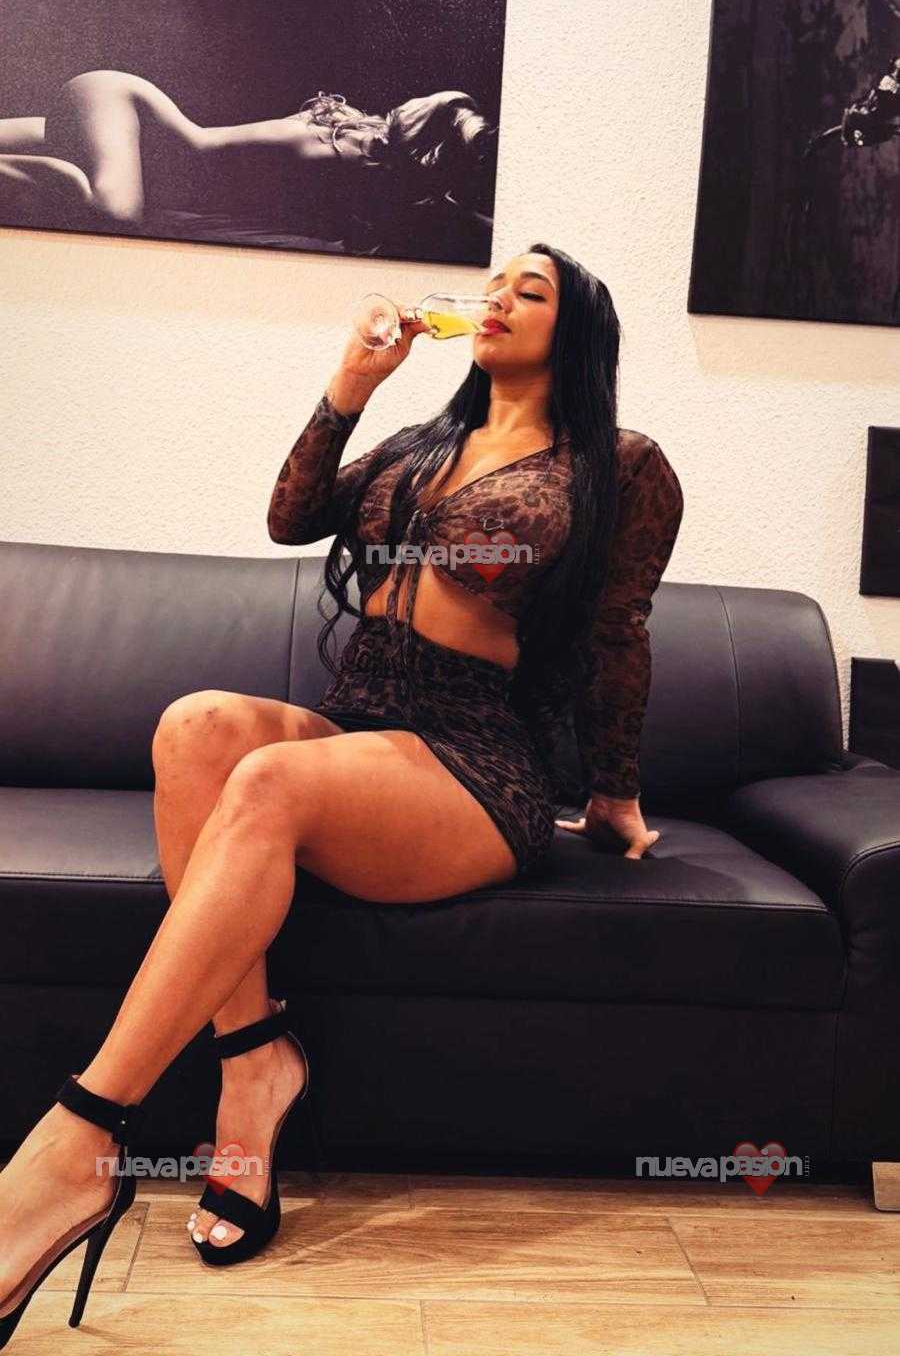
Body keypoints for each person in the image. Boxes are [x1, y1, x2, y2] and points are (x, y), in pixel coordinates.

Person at [0, 243, 684, 1344]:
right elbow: (290, 517)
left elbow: (621, 631)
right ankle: (254, 1064)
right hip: (363, 722)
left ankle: (77, 1140)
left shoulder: (618, 464)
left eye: (532, 290)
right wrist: (354, 383)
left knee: (269, 780)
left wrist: (615, 792)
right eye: (495, 283)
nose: (499, 298)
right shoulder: (424, 444)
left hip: (475, 757)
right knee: (196, 727)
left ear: (580, 332)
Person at [0, 74, 497, 255]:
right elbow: (445, 216)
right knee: (115, 214)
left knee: (90, 172)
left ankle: (60, 165)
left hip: (127, 121)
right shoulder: (351, 155)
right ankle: (64, 174)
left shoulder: (351, 130)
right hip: (122, 105)